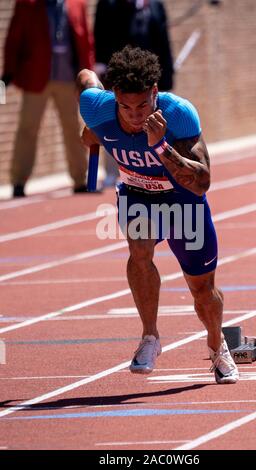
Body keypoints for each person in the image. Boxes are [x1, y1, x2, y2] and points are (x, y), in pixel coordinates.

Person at [78, 46, 239, 384]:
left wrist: (160, 147)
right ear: (114, 98)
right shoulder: (96, 107)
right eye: (125, 106)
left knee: (202, 290)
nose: (135, 115)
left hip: (182, 200)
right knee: (139, 251)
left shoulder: (179, 114)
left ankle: (216, 344)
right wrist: (90, 131)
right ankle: (150, 336)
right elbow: (86, 80)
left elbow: (202, 183)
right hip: (137, 196)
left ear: (155, 93)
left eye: (142, 106)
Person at [2, 0, 94, 197]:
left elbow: (86, 39)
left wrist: (89, 74)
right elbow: (14, 38)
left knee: (73, 128)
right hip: (36, 78)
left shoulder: (77, 4)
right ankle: (19, 180)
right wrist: (8, 73)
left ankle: (80, 179)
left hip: (68, 78)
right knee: (28, 128)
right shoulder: (27, 5)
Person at [93, 0, 174, 187]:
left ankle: (154, 171)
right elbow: (100, 33)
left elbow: (163, 39)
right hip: (120, 78)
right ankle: (113, 172)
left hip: (149, 80)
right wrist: (101, 66)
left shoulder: (154, 5)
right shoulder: (109, 4)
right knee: (115, 123)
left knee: (151, 125)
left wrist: (167, 77)